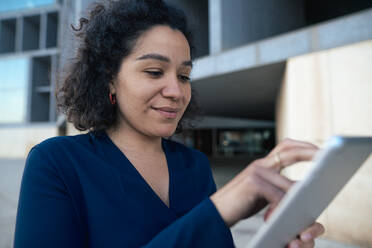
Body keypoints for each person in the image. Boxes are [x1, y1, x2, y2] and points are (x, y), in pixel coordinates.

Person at [14, 0, 324, 247]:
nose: (176, 91)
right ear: (109, 79)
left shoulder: (196, 167)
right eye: (153, 71)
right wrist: (218, 211)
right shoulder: (57, 163)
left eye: (184, 76)